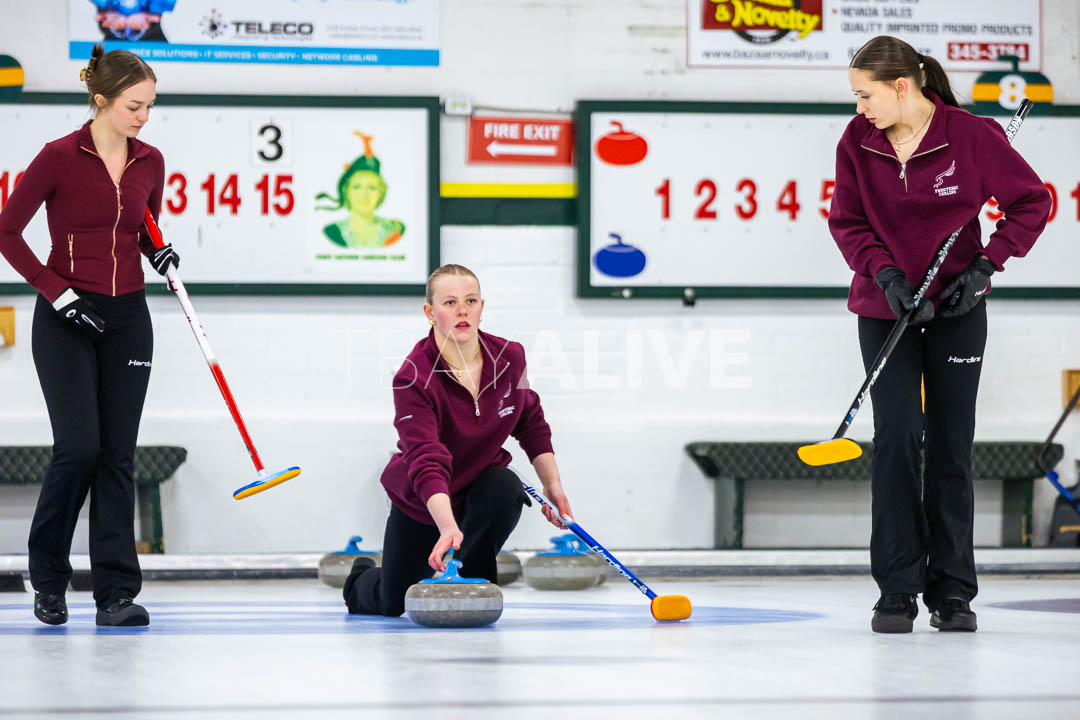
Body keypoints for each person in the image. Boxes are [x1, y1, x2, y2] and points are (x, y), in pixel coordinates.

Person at [829, 36, 1051, 633]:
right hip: (887, 309)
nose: (859, 108)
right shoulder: (857, 141)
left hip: (957, 308)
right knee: (898, 439)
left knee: (952, 444)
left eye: (865, 95)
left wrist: (986, 266)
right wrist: (885, 274)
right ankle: (896, 590)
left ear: (902, 87)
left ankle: (953, 593)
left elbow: (1032, 202)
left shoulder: (971, 136)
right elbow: (847, 222)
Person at [0, 45, 179, 627]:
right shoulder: (58, 157)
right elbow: (7, 233)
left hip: (128, 318)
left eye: (149, 106)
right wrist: (58, 294)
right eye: (134, 106)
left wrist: (159, 251)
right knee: (79, 449)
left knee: (117, 455)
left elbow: (143, 227)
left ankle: (116, 594)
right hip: (66, 316)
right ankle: (49, 580)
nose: (144, 117)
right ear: (101, 100)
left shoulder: (149, 160)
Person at [343, 264, 572, 616]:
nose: (462, 311)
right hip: (426, 497)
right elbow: (426, 458)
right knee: (394, 602)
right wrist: (447, 526)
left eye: (471, 301)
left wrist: (553, 485)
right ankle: (360, 579)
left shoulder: (510, 357)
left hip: (481, 487)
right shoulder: (413, 376)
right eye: (450, 302)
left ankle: (473, 583)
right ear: (430, 312)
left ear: (482, 307)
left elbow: (530, 421)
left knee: (505, 487)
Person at [317, 132, 405, 249]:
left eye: (372, 187)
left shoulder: (393, 230)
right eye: (357, 187)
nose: (364, 194)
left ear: (381, 193)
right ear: (346, 191)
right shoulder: (333, 232)